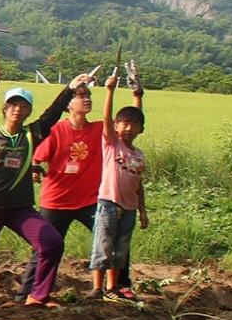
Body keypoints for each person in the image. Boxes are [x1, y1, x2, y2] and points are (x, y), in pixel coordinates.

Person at [19, 71, 140, 298]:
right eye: (80, 95)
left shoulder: (97, 130)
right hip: (56, 201)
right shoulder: (55, 131)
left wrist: (136, 94)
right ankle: (27, 293)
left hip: (90, 201)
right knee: (44, 248)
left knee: (114, 237)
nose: (87, 99)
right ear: (68, 105)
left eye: (89, 95)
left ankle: (120, 286)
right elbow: (36, 156)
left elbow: (130, 125)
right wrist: (34, 169)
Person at [0, 82, 72, 314]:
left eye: (23, 106)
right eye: (13, 105)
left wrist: (70, 89)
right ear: (4, 108)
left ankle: (38, 296)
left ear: (29, 111)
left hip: (20, 209)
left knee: (52, 242)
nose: (17, 109)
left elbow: (52, 115)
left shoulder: (31, 135)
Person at [90, 73, 149, 298]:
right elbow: (106, 119)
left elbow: (138, 184)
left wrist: (142, 211)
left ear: (141, 130)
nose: (129, 128)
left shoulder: (139, 155)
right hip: (109, 203)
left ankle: (112, 287)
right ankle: (97, 288)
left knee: (120, 249)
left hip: (130, 208)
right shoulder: (112, 144)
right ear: (116, 126)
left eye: (134, 125)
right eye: (124, 124)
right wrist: (109, 91)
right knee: (103, 245)